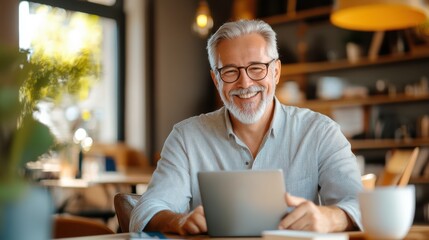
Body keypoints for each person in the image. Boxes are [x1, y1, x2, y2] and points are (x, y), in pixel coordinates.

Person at [130, 19, 363, 235]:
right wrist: (177, 221)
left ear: (276, 71)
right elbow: (145, 210)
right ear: (216, 80)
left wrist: (330, 218)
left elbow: (360, 206)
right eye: (230, 71)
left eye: (257, 67)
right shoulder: (186, 137)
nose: (245, 83)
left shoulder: (321, 132)